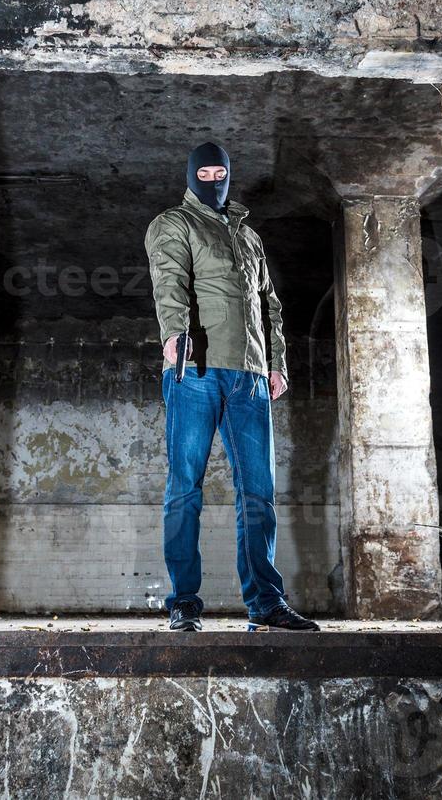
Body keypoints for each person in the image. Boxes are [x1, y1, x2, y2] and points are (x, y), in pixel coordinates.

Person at [143, 141, 320, 633]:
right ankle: (182, 601)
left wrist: (276, 362)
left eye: (221, 172)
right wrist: (175, 334)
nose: (214, 179)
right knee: (185, 489)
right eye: (205, 171)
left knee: (258, 493)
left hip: (251, 377)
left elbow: (270, 304)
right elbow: (170, 280)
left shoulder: (249, 237)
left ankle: (266, 602)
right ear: (191, 175)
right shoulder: (174, 224)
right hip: (194, 371)